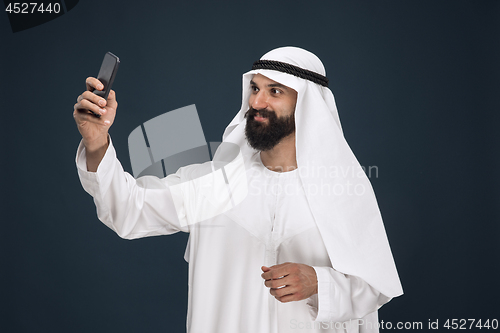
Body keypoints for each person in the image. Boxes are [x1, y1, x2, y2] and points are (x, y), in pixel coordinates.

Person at [74, 47, 403, 333]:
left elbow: (374, 286)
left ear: (307, 106)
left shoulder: (343, 191)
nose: (257, 101)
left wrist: (321, 284)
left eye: (275, 92)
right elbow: (131, 209)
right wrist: (96, 141)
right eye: (255, 87)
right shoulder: (218, 183)